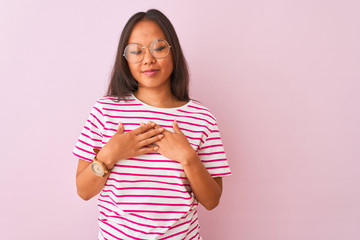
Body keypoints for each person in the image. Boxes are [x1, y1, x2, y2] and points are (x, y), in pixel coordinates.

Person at [73, 9, 231, 240]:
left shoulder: (201, 117)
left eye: (158, 48)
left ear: (173, 51)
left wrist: (187, 157)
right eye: (136, 51)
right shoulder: (105, 111)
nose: (148, 59)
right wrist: (111, 153)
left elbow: (211, 200)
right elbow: (83, 191)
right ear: (125, 59)